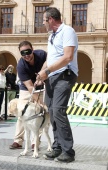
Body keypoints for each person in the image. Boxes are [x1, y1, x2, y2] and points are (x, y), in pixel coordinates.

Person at [36, 7, 78, 163]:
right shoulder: (52, 36)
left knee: (59, 111)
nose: (43, 23)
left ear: (51, 19)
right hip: (51, 77)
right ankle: (58, 147)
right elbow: (50, 59)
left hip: (64, 75)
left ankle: (68, 151)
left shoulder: (68, 31)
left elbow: (67, 57)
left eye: (44, 20)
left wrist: (46, 71)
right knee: (52, 112)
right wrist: (41, 74)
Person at [9, 40, 47, 149]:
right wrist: (39, 102)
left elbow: (50, 64)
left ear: (32, 50)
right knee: (22, 113)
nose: (26, 55)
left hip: (42, 85)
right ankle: (18, 141)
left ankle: (35, 142)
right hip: (26, 88)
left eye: (28, 52)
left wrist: (42, 77)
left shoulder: (42, 55)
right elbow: (30, 87)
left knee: (39, 114)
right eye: (23, 53)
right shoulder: (21, 66)